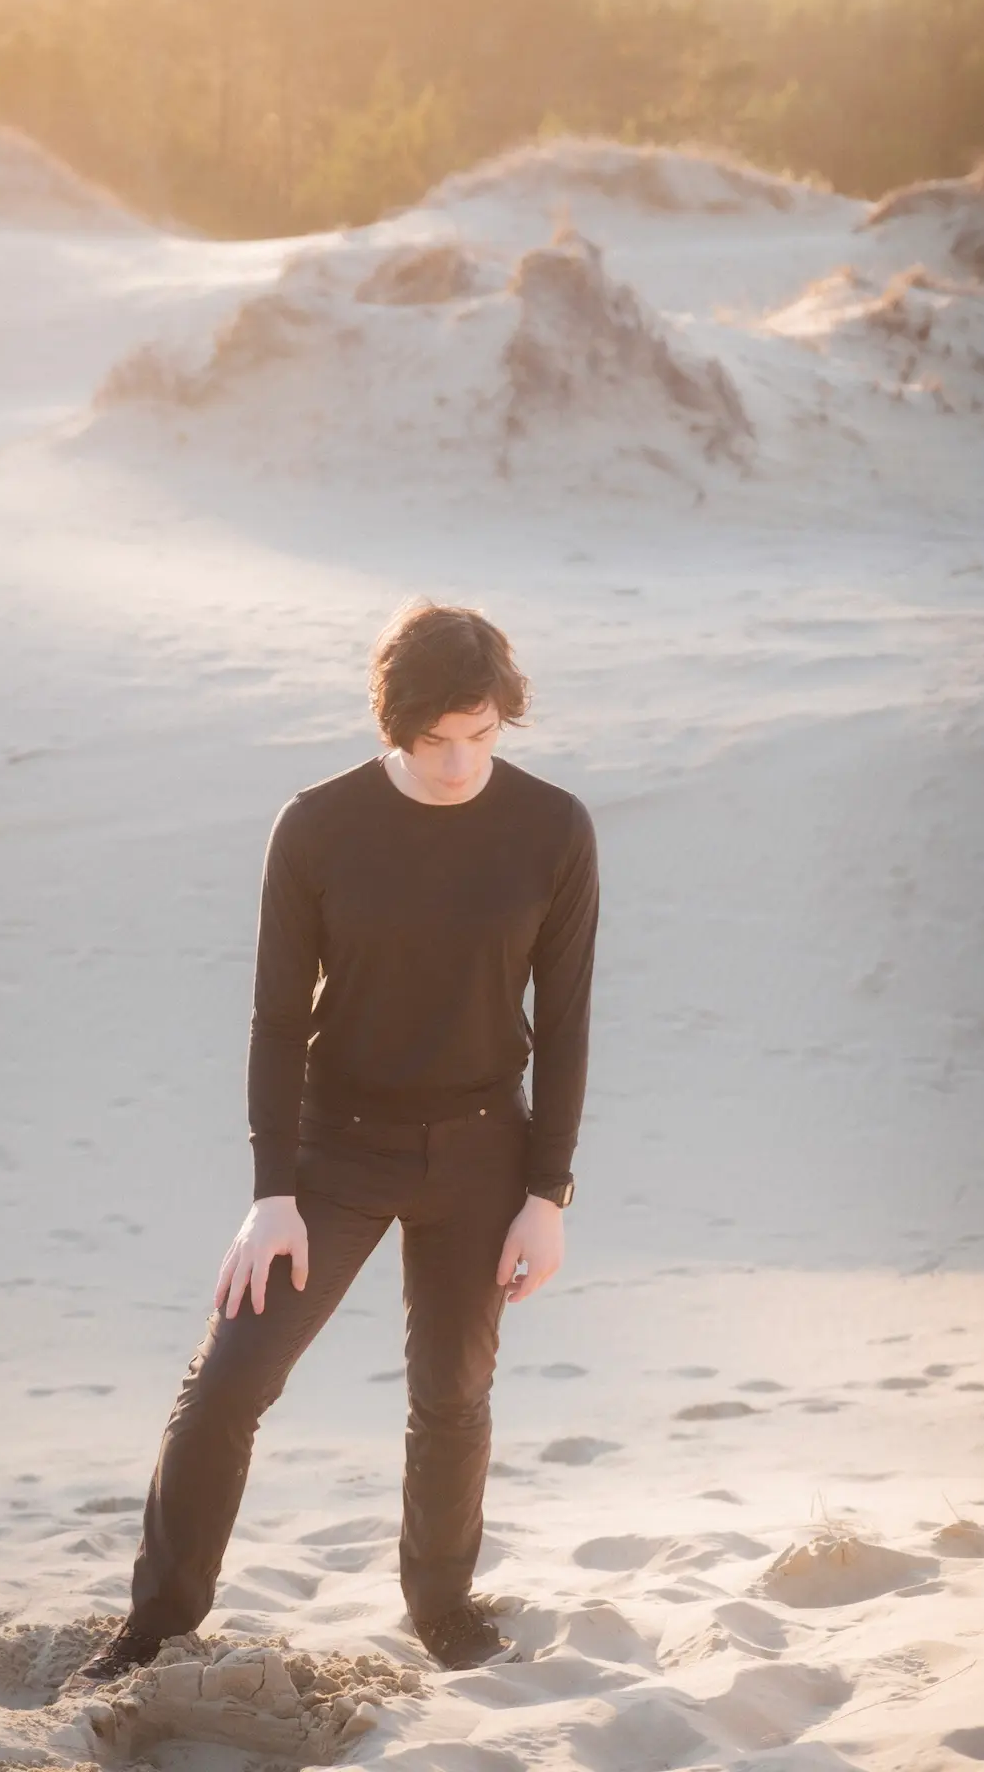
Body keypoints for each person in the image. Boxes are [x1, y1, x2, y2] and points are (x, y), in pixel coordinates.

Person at [80, 601, 599, 1681]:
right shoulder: (316, 825)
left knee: (451, 1396)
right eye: (434, 739)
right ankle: (156, 1627)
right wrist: (271, 1191)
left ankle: (442, 1610)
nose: (459, 764)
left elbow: (566, 1022)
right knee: (227, 1384)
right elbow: (275, 1018)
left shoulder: (554, 827)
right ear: (391, 723)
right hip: (334, 1150)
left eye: (481, 736)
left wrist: (546, 1193)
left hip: (481, 1152)